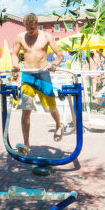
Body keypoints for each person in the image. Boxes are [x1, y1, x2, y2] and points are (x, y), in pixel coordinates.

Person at [10, 13, 64, 152]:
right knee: (26, 109)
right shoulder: (20, 37)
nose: (30, 30)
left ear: (37, 24)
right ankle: (26, 144)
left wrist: (54, 64)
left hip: (43, 75)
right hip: (28, 76)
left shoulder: (46, 36)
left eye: (32, 28)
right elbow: (14, 54)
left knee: (51, 107)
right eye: (27, 28)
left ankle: (58, 125)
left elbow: (60, 55)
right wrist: (15, 65)